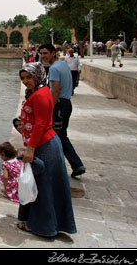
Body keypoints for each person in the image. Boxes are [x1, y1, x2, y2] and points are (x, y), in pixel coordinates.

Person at [16, 62, 76, 236]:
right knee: (45, 186)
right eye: (23, 78)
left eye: (29, 77)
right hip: (44, 144)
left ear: (38, 76)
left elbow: (41, 124)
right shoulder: (38, 91)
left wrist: (30, 149)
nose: (26, 81)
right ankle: (49, 223)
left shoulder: (40, 94)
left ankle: (43, 226)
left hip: (44, 145)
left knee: (43, 187)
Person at [39, 44, 86, 178]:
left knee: (56, 137)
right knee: (60, 136)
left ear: (53, 53)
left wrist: (50, 109)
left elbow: (55, 91)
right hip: (67, 104)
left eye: (45, 53)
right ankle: (76, 165)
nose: (43, 56)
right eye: (41, 53)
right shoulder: (63, 64)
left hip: (59, 105)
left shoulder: (54, 69)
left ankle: (70, 166)